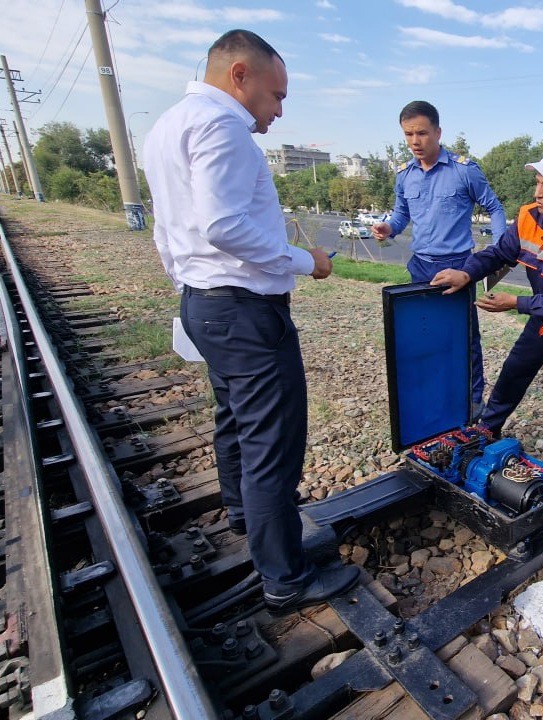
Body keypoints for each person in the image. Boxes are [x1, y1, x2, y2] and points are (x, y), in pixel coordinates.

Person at [143, 29, 359, 614]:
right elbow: (225, 228)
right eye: (276, 94)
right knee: (273, 443)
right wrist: (304, 261)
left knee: (234, 418)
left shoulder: (169, 125)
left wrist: (191, 288)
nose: (279, 110)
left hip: (206, 301)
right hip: (243, 309)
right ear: (240, 75)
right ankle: (285, 578)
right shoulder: (223, 127)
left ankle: (244, 516)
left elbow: (170, 230)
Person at [430, 147, 543, 467]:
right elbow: (499, 254)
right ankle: (487, 430)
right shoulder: (528, 216)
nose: (538, 192)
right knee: (515, 370)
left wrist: (516, 303)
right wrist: (466, 272)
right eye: (538, 182)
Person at [373, 101, 507, 416]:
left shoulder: (464, 170)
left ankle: (472, 402)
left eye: (421, 133)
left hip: (458, 266)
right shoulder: (405, 175)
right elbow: (401, 216)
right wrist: (387, 227)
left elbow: (495, 207)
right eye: (408, 134)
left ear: (438, 132)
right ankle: (433, 392)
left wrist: (500, 251)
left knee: (463, 337)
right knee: (423, 334)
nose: (415, 141)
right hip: (420, 266)